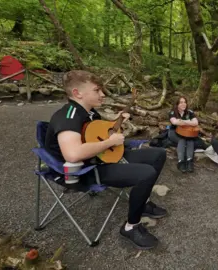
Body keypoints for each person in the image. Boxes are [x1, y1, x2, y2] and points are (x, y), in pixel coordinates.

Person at [45, 70, 167, 250]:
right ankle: (130, 226)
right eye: (97, 90)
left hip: (101, 158)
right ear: (78, 93)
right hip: (84, 171)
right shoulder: (68, 117)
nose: (102, 94)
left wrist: (116, 125)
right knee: (146, 174)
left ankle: (144, 202)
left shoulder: (91, 113)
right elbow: (73, 154)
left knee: (158, 154)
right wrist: (110, 142)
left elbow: (100, 135)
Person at [168, 97, 199, 173]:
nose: (183, 104)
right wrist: (189, 121)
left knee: (190, 139)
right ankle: (180, 162)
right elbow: (175, 122)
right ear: (177, 104)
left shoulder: (190, 112)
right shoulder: (172, 112)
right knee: (182, 140)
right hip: (174, 132)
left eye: (185, 102)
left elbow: (196, 123)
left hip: (187, 132)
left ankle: (189, 161)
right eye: (181, 102)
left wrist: (183, 121)